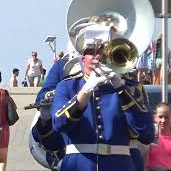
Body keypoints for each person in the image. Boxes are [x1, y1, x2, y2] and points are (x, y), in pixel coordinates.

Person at [50, 33, 155, 171]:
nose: (98, 56)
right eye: (91, 52)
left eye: (103, 51)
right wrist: (84, 92)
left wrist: (121, 89)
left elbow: (146, 134)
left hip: (120, 165)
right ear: (83, 59)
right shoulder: (67, 86)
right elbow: (59, 124)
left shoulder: (132, 88)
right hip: (79, 164)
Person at [145, 102, 171, 170]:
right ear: (155, 118)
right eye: (160, 117)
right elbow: (144, 162)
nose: (163, 120)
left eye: (167, 117)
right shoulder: (149, 138)